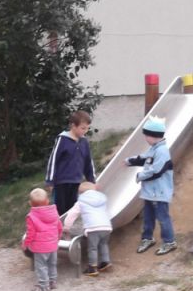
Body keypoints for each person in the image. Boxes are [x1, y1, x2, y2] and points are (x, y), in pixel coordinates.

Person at [125, 115, 177, 255]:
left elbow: (156, 171)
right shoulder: (154, 149)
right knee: (148, 217)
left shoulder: (162, 151)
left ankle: (169, 241)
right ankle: (147, 238)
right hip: (150, 192)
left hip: (159, 192)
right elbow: (144, 158)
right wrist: (129, 161)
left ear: (153, 135)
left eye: (146, 135)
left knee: (163, 217)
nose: (145, 138)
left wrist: (140, 176)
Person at [45, 111, 96, 216]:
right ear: (73, 125)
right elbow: (53, 160)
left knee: (72, 212)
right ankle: (59, 226)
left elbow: (88, 163)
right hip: (61, 183)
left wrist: (92, 181)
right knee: (60, 211)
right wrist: (50, 181)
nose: (85, 131)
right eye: (83, 128)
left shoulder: (84, 142)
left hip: (76, 183)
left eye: (87, 128)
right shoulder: (62, 140)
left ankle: (69, 226)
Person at [63, 181, 113, 276]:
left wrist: (66, 227)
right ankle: (105, 262)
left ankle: (92, 268)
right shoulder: (101, 199)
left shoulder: (81, 201)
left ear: (80, 193)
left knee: (92, 248)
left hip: (93, 227)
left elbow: (72, 214)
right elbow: (107, 212)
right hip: (106, 226)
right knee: (104, 244)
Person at [22, 187, 63, 291]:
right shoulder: (54, 212)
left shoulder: (31, 216)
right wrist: (57, 238)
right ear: (47, 201)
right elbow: (59, 227)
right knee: (52, 264)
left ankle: (43, 285)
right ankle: (52, 282)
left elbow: (30, 233)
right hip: (53, 245)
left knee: (41, 266)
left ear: (30, 203)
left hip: (40, 248)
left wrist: (26, 243)